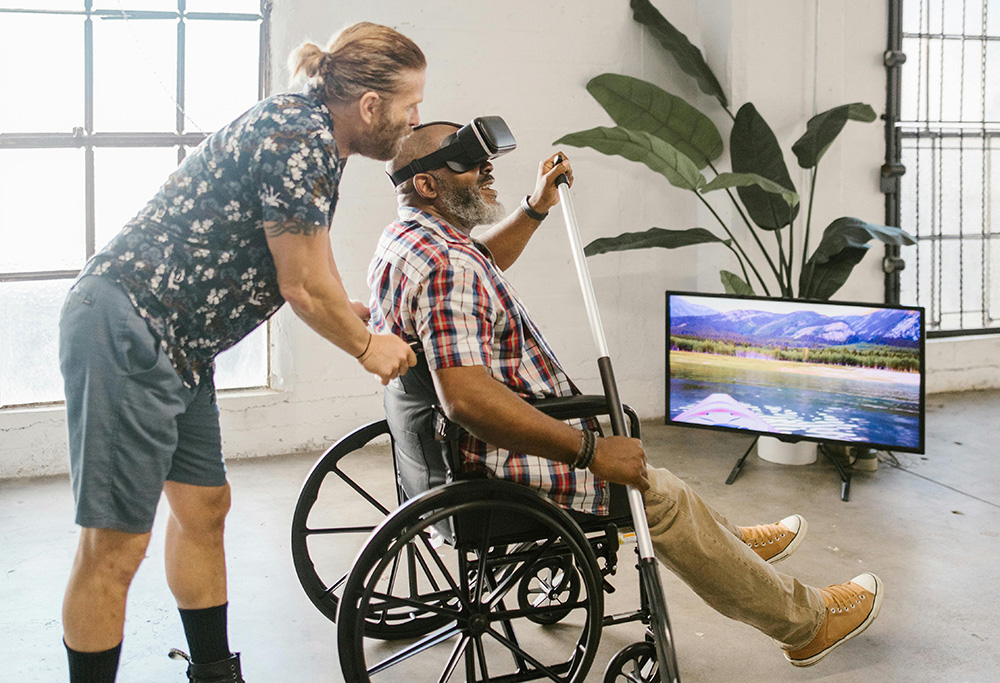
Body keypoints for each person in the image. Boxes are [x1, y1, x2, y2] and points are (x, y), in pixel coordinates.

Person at [366, 122, 884, 669]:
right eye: (471, 162)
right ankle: (805, 624)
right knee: (659, 498)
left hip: (446, 456)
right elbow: (468, 401)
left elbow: (482, 262)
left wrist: (536, 207)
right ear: (428, 185)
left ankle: (731, 544)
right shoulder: (448, 267)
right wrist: (589, 451)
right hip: (503, 460)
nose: (489, 169)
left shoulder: (412, 241)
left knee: (660, 483)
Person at [58, 22, 424, 683]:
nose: (414, 119)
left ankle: (215, 674)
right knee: (114, 548)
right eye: (410, 106)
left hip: (180, 343)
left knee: (205, 506)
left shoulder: (315, 130)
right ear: (370, 108)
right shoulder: (299, 139)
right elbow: (301, 285)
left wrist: (350, 312)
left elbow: (310, 255)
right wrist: (367, 344)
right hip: (128, 326)